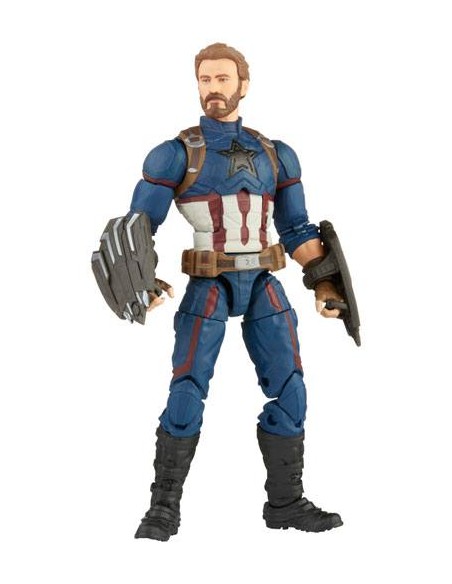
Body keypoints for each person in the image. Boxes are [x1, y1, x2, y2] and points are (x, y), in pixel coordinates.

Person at [131, 42, 344, 541]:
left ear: (243, 85)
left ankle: (286, 502)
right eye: (205, 79)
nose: (213, 88)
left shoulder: (276, 154)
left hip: (264, 282)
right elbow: (138, 227)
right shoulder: (176, 154)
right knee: (187, 392)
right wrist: (142, 280)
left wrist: (324, 282)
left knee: (292, 389)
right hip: (209, 285)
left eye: (223, 79)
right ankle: (163, 508)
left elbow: (297, 229)